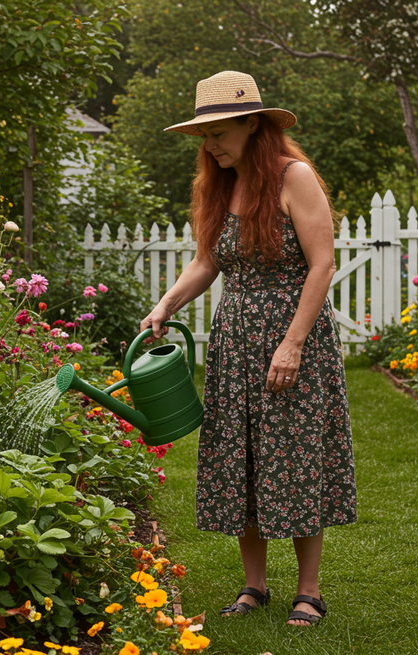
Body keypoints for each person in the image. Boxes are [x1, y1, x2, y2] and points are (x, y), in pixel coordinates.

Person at [140, 71, 358, 627]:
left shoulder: (294, 177)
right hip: (235, 341)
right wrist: (165, 306)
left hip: (293, 336)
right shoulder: (221, 184)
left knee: (297, 456)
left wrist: (292, 344)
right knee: (243, 457)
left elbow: (321, 265)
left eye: (217, 131)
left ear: (251, 123)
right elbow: (207, 262)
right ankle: (254, 586)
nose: (209, 144)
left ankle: (308, 591)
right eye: (203, 135)